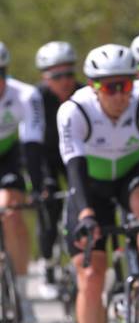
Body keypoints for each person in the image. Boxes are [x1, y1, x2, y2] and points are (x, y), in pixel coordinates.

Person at [58, 44, 139, 323]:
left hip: (130, 177)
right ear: (93, 87)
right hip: (89, 186)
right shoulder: (74, 110)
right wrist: (87, 215)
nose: (120, 94)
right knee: (91, 276)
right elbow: (73, 172)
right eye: (110, 87)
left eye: (126, 84)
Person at [0, 41, 45, 323]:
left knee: (12, 212)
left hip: (8, 156)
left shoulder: (25, 95)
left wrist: (38, 187)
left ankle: (22, 295)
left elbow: (33, 144)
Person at [35, 41, 83, 299]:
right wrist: (40, 181)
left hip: (74, 156)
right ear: (45, 77)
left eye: (69, 74)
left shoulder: (84, 93)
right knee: (49, 206)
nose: (65, 81)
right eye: (57, 76)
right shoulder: (37, 98)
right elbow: (31, 142)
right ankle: (47, 263)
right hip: (48, 158)